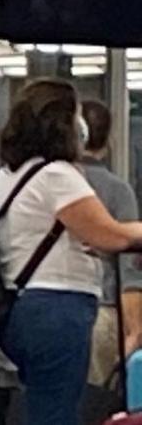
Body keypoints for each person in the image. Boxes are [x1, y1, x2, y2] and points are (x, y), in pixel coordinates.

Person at [0, 80, 142, 425]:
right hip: (57, 310)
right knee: (58, 412)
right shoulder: (57, 175)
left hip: (21, 307)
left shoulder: (10, 174)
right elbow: (111, 235)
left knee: (41, 406)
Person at [80, 100, 142, 418]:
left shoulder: (40, 183)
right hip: (102, 312)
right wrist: (134, 330)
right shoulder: (117, 191)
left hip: (50, 312)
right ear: (108, 140)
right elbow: (129, 269)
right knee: (99, 405)